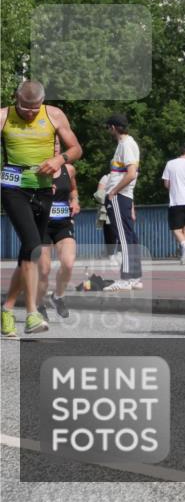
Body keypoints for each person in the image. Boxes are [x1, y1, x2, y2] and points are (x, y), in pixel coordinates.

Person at [1, 80, 83, 337]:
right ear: (16, 99)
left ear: (42, 102)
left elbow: (76, 149)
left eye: (35, 109)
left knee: (28, 251)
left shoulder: (54, 115)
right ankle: (32, 314)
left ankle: (7, 309)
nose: (30, 114)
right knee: (34, 246)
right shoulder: (4, 116)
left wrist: (59, 159)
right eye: (25, 108)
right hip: (13, 188)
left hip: (44, 190)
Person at [102, 114, 144, 291]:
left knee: (124, 237)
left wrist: (113, 191)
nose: (108, 131)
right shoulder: (127, 144)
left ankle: (126, 278)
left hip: (119, 196)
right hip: (124, 196)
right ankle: (135, 277)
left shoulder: (126, 145)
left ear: (113, 127)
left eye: (108, 127)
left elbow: (131, 173)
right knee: (129, 236)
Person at [38, 163, 80, 319]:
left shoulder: (69, 169)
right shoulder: (36, 168)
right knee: (44, 270)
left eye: (57, 149)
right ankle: (38, 304)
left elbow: (73, 189)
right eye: (52, 149)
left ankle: (58, 297)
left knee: (68, 263)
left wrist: (75, 200)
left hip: (63, 224)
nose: (55, 150)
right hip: (42, 224)